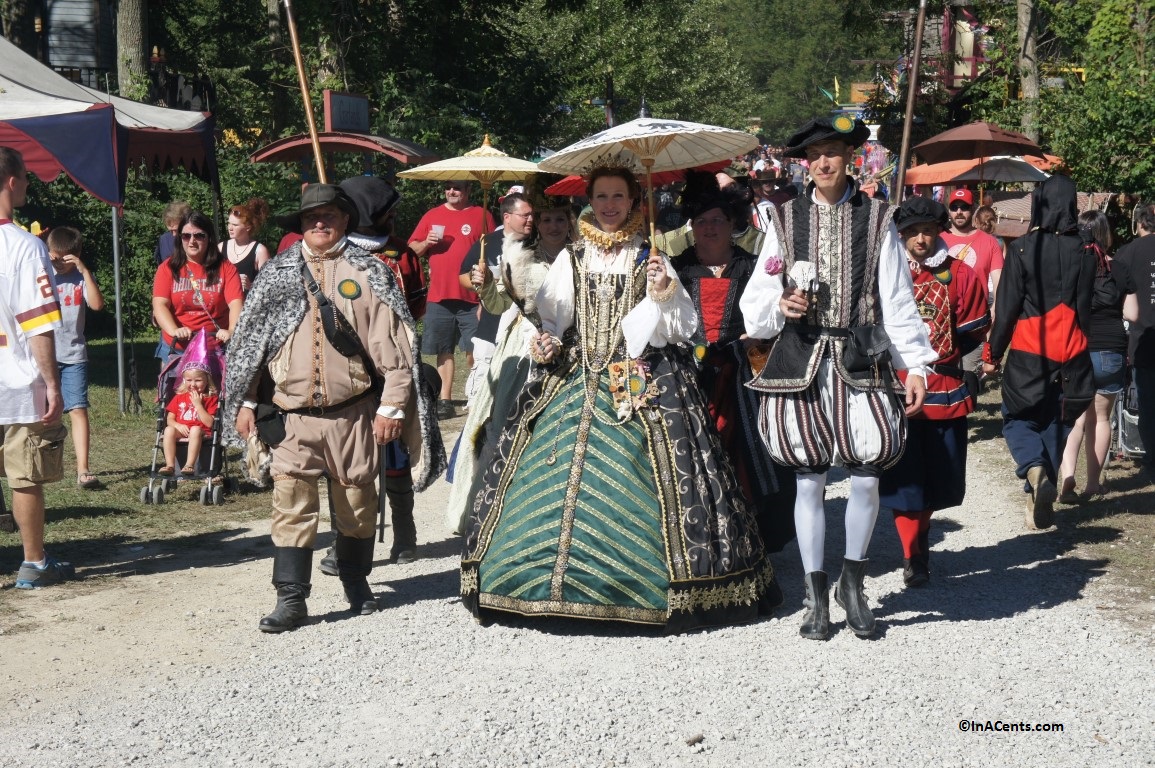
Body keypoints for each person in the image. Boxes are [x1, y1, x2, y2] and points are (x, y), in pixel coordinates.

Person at [461, 162, 779, 632]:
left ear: (634, 202)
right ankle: (530, 581)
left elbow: (680, 329)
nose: (610, 207)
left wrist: (666, 292)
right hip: (574, 378)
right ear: (591, 202)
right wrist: (546, 341)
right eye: (602, 198)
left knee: (661, 476)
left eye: (619, 198)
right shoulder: (573, 256)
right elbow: (554, 319)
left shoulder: (649, 256)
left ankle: (650, 583)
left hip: (641, 376)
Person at [740, 116, 935, 640]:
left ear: (849, 156)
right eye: (814, 155)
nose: (823, 163)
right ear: (804, 163)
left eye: (832, 152)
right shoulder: (783, 220)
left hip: (860, 356)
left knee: (868, 471)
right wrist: (782, 304)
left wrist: (914, 363)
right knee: (809, 477)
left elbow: (895, 296)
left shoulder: (877, 219)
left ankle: (854, 582)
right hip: (801, 357)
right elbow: (755, 304)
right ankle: (815, 595)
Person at [224, 184, 444, 633]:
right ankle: (291, 598)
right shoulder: (277, 274)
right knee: (291, 505)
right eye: (310, 218)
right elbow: (253, 345)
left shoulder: (368, 272)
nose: (319, 224)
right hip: (291, 418)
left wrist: (392, 408)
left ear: (345, 220)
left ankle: (356, 583)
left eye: (328, 216)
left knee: (358, 505)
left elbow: (395, 349)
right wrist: (247, 399)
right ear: (300, 225)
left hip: (354, 414)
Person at [670, 195, 797, 553]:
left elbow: (769, 312)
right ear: (691, 227)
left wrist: (750, 337)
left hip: (745, 368)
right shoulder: (676, 269)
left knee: (753, 448)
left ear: (732, 225)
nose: (709, 228)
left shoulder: (754, 267)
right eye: (702, 221)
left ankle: (754, 536)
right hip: (692, 372)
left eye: (717, 220)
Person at [444, 194, 571, 535]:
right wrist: (485, 285)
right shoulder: (519, 257)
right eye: (547, 220)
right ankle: (496, 505)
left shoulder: (582, 259)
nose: (553, 226)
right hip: (523, 345)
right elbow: (499, 305)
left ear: (569, 222)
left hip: (571, 349)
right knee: (504, 422)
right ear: (538, 225)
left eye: (560, 219)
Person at [879, 197, 990, 587]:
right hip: (897, 390)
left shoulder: (960, 274)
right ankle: (913, 556)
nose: (920, 239)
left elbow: (974, 332)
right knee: (905, 478)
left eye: (927, 231)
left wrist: (971, 369)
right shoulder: (886, 275)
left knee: (938, 478)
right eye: (911, 232)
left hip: (944, 389)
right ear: (900, 235)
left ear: (939, 231)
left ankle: (920, 545)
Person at [983, 175, 1096, 530]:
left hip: (1032, 347)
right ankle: (1042, 482)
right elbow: (1086, 308)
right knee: (1057, 419)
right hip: (1073, 349)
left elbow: (1007, 309)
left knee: (1018, 417)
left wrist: (993, 353)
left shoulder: (1020, 249)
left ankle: (1033, 468)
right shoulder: (1088, 252)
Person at [333, 174, 430, 563]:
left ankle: (404, 534)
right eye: (388, 211)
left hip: (394, 364)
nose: (393, 217)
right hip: (345, 365)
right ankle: (351, 541)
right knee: (348, 457)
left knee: (394, 452)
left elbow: (417, 306)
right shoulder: (334, 252)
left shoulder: (401, 253)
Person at [0, 147, 72, 589]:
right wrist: (53, 382)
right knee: (25, 475)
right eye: (25, 177)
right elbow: (38, 325)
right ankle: (33, 560)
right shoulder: (24, 247)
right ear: (11, 182)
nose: (28, 184)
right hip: (17, 381)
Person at [408, 180, 495, 420]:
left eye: (457, 187)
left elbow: (495, 249)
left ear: (468, 190)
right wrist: (427, 243)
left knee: (475, 349)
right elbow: (411, 250)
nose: (452, 191)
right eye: (448, 187)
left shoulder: (481, 214)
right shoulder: (432, 215)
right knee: (443, 349)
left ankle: (476, 394)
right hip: (440, 295)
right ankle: (445, 400)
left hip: (473, 297)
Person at [1058, 210, 1126, 500]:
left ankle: (1067, 479)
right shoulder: (1119, 268)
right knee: (1100, 418)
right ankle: (1093, 485)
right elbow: (1133, 312)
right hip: (1110, 348)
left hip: (1077, 347)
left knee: (1073, 417)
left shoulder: (1070, 266)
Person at [457, 193, 535, 411]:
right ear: (507, 217)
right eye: (525, 215)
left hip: (523, 328)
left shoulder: (537, 243)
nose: (530, 219)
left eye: (532, 215)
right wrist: (482, 283)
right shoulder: (487, 243)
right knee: (483, 392)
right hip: (491, 324)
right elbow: (462, 276)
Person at [46, 226, 105, 490]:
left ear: (77, 255)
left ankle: (83, 469)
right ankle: (42, 466)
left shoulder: (81, 279)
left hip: (73, 354)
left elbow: (97, 305)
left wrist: (84, 271)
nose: (59, 264)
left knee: (78, 409)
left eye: (65, 259)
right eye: (55, 258)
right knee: (43, 413)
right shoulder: (44, 276)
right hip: (44, 354)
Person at [152, 211, 243, 360]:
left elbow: (236, 304)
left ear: (209, 238)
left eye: (199, 236)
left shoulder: (226, 268)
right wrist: (174, 330)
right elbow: (160, 305)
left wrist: (232, 330)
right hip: (177, 349)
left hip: (214, 349)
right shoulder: (167, 268)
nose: (192, 241)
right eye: (186, 236)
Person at [1107, 202, 1155, 481]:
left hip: (1143, 341)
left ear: (1139, 224)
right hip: (1143, 340)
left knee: (1148, 404)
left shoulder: (1126, 253)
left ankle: (1152, 461)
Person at [942, 189, 1004, 376]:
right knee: (944, 378)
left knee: (967, 377)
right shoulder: (939, 239)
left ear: (973, 209)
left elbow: (999, 280)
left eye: (964, 207)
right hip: (943, 321)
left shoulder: (989, 242)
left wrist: (995, 310)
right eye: (955, 207)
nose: (959, 212)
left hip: (975, 324)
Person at [162, 362, 219, 477]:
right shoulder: (179, 397)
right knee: (168, 430)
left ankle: (189, 465)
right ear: (183, 380)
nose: (193, 384)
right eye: (188, 380)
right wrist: (178, 426)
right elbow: (170, 419)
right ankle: (170, 465)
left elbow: (209, 423)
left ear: (207, 380)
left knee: (195, 430)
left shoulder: (211, 398)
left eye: (198, 380)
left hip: (202, 432)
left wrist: (198, 405)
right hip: (182, 431)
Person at [221, 198, 272, 293]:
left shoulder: (260, 251)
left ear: (248, 227)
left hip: (248, 306)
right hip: (224, 306)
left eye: (235, 225)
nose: (230, 228)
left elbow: (270, 287)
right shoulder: (220, 248)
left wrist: (251, 285)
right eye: (229, 223)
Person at [154, 201, 191, 266]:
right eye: (171, 231)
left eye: (176, 230)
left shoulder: (198, 240)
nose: (174, 234)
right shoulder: (164, 240)